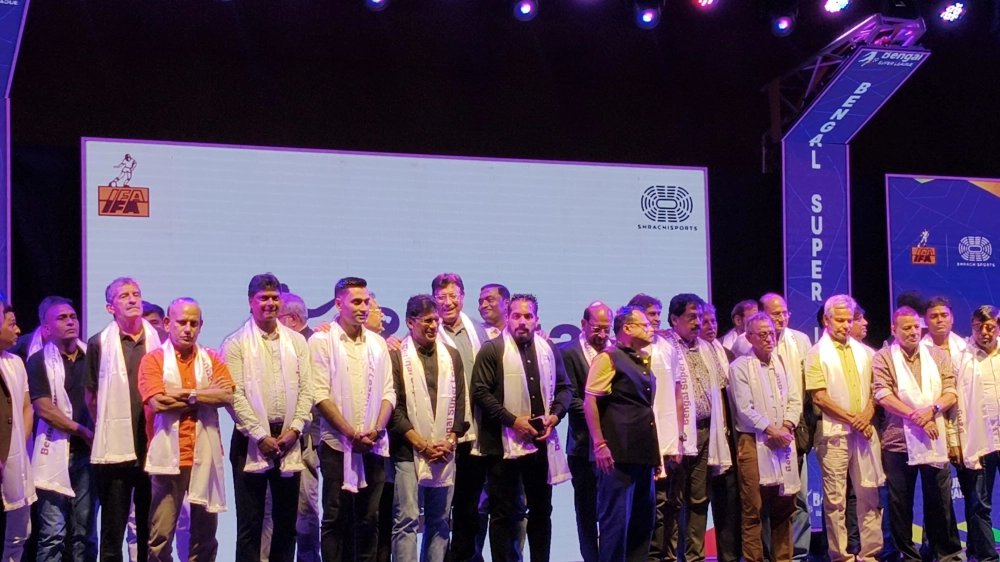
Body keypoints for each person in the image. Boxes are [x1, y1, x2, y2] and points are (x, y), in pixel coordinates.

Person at [471, 293, 573, 562]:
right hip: (502, 445)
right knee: (503, 513)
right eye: (516, 316)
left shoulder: (548, 349)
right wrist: (513, 421)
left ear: (537, 320)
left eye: (528, 316)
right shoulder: (493, 349)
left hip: (540, 443)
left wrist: (555, 416)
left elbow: (565, 389)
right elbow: (480, 392)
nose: (522, 321)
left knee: (541, 511)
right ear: (508, 317)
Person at [224, 274, 313, 562]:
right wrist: (260, 435)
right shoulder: (236, 343)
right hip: (250, 440)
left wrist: (295, 430)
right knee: (250, 524)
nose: (270, 303)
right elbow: (234, 396)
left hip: (289, 439)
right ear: (251, 301)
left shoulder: (296, 342)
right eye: (264, 298)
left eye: (275, 298)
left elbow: (307, 390)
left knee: (287, 524)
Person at [139, 298, 234, 561]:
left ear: (201, 326)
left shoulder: (211, 358)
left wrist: (187, 394)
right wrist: (205, 394)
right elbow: (158, 402)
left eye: (194, 323)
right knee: (161, 535)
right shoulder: (154, 360)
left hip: (206, 453)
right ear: (167, 323)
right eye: (182, 322)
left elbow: (226, 395)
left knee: (205, 536)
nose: (188, 329)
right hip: (169, 456)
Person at [310, 277, 395, 561]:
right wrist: (350, 434)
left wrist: (376, 431)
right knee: (336, 517)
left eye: (366, 302)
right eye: (356, 302)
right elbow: (320, 395)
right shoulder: (322, 341)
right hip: (337, 444)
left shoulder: (378, 343)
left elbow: (388, 392)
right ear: (339, 304)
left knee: (369, 518)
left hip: (373, 444)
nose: (363, 307)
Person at [872, 306, 963, 562]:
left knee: (939, 500)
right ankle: (907, 555)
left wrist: (931, 410)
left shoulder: (937, 355)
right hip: (897, 442)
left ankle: (943, 553)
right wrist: (917, 417)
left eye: (916, 327)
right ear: (894, 330)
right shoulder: (883, 357)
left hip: (935, 438)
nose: (913, 332)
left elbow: (950, 391)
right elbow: (883, 395)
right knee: (900, 503)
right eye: (906, 328)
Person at [85, 277, 162, 562]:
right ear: (110, 307)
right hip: (115, 449)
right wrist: (108, 429)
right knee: (113, 527)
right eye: (124, 296)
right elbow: (91, 396)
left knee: (148, 525)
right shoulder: (98, 343)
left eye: (136, 294)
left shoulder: (157, 340)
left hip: (150, 444)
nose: (132, 299)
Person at [651, 293, 732, 562]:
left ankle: (694, 557)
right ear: (674, 319)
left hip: (706, 431)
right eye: (691, 317)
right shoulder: (664, 348)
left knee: (699, 498)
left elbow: (720, 389)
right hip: (678, 435)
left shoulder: (707, 348)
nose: (697, 322)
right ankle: (670, 556)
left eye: (699, 316)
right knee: (674, 499)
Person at [388, 294, 467, 562]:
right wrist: (422, 444)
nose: (433, 326)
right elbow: (395, 409)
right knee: (407, 519)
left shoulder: (451, 356)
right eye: (427, 321)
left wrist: (450, 440)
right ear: (410, 322)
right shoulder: (396, 356)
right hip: (407, 451)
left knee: (440, 520)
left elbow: (460, 404)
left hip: (445, 450)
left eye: (436, 320)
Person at [805, 295, 884, 562]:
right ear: (826, 320)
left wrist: (866, 415)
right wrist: (855, 420)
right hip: (834, 434)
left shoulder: (866, 352)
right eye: (840, 320)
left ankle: (870, 553)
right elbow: (819, 397)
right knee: (835, 499)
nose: (846, 325)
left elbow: (877, 391)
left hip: (864, 431)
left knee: (869, 492)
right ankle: (840, 556)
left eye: (849, 320)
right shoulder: (816, 353)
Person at [921, 296, 996, 562]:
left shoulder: (963, 348)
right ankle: (950, 552)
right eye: (934, 316)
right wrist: (953, 439)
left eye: (944, 315)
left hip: (984, 437)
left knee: (975, 498)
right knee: (954, 499)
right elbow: (951, 402)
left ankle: (976, 548)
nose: (984, 332)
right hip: (952, 435)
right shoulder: (954, 355)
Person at [584, 305, 659, 562]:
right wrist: (600, 444)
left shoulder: (641, 359)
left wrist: (654, 456)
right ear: (627, 328)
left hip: (642, 454)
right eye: (644, 325)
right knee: (616, 526)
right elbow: (590, 401)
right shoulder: (609, 357)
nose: (651, 329)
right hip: (617, 456)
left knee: (642, 523)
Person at [26, 297, 97, 561]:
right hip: (53, 451)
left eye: (73, 316)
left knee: (85, 532)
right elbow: (44, 408)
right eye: (62, 318)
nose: (70, 321)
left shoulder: (92, 357)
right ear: (46, 329)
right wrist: (83, 431)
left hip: (87, 456)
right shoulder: (38, 361)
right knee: (53, 533)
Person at [729, 312, 802, 562]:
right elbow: (744, 408)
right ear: (749, 337)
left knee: (785, 506)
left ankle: (784, 558)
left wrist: (787, 426)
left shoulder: (781, 362)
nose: (769, 338)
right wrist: (771, 430)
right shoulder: (739, 367)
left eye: (771, 333)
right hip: (753, 441)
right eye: (762, 334)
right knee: (754, 508)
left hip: (784, 438)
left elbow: (794, 399)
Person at [559, 301, 613, 562]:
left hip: (612, 446)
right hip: (581, 446)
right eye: (596, 329)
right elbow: (570, 398)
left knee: (611, 510)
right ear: (583, 325)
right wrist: (602, 418)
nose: (602, 335)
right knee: (586, 511)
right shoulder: (568, 352)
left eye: (606, 329)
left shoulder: (615, 351)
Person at [956, 305, 1000, 562]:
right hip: (980, 440)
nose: (984, 332)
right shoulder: (962, 357)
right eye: (978, 327)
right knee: (979, 503)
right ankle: (987, 557)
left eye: (990, 327)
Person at [700, 303, 741, 562]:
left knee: (728, 506)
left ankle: (730, 557)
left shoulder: (727, 354)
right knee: (697, 505)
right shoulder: (689, 355)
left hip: (728, 440)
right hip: (702, 440)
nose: (710, 326)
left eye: (713, 321)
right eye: (704, 321)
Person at [0, 302, 35, 561]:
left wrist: (15, 449)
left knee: (20, 532)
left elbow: (26, 407)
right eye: (11, 324)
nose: (18, 330)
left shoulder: (16, 363)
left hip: (16, 460)